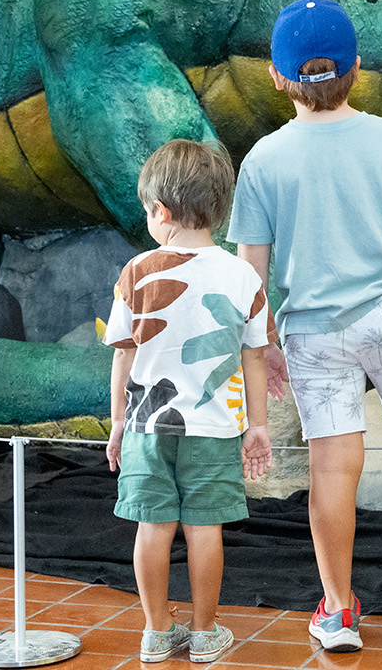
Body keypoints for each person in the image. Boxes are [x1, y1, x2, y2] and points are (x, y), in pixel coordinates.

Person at [228, 0, 382, 652]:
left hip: (315, 330)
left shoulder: (264, 161)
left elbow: (252, 271)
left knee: (332, 464)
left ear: (276, 77)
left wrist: (263, 343)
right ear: (358, 67)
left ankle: (336, 610)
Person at [106, 139, 274, 664]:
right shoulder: (242, 275)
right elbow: (255, 358)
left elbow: (123, 357)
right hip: (214, 429)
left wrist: (116, 422)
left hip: (146, 426)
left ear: (162, 211)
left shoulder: (137, 272)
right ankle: (204, 633)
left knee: (152, 526)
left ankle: (156, 632)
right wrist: (258, 426)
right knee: (205, 528)